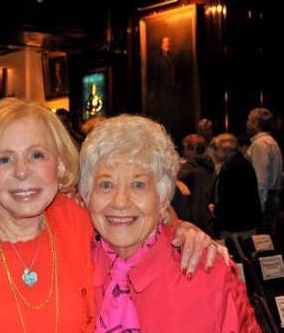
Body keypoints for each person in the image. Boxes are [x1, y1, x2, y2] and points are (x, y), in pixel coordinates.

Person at [0, 98, 229, 331]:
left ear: (60, 164)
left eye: (37, 155)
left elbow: (138, 220)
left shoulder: (82, 223)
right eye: (4, 159)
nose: (22, 172)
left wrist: (184, 230)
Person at [79, 115, 260, 332]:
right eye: (106, 184)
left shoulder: (209, 275)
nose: (120, 201)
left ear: (164, 199)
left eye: (138, 184)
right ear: (87, 195)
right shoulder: (68, 266)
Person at [208, 133, 263, 238]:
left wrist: (216, 210)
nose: (214, 152)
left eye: (216, 148)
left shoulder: (239, 166)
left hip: (240, 224)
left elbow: (233, 196)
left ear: (226, 149)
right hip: (234, 222)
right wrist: (212, 203)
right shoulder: (232, 164)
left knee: (239, 252)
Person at [245, 107, 283, 234]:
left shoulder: (260, 145)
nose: (247, 123)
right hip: (270, 198)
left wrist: (258, 209)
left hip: (263, 201)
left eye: (249, 120)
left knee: (262, 240)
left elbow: (260, 179)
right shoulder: (271, 142)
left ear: (255, 123)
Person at [178, 133, 216, 237]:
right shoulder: (210, 165)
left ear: (193, 149)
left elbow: (177, 188)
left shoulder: (189, 168)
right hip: (209, 214)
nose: (183, 151)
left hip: (194, 214)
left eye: (185, 148)